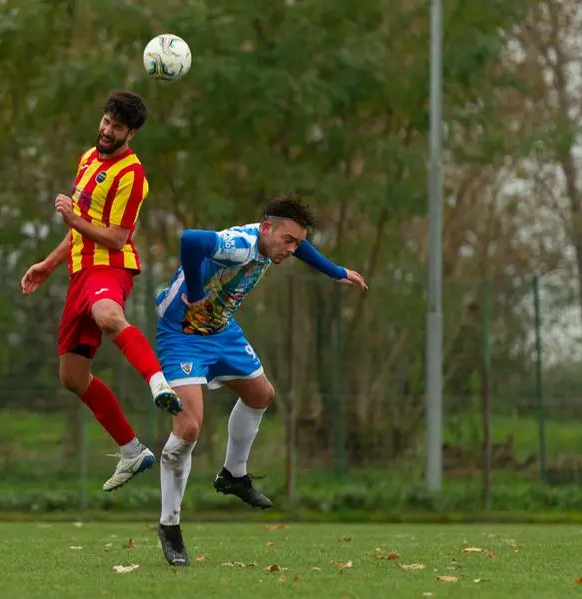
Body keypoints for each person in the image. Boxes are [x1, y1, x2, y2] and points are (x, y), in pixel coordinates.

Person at [152, 194, 368, 565]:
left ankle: (233, 475)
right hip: (183, 333)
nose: (292, 249)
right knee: (188, 429)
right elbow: (190, 239)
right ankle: (170, 527)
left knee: (261, 395)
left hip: (221, 331)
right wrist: (195, 290)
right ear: (266, 229)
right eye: (288, 240)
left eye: (297, 242)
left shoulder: (274, 242)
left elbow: (298, 247)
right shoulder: (238, 245)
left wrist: (335, 271)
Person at [21, 91, 182, 493]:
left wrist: (73, 217)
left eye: (117, 127)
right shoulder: (87, 158)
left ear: (132, 133)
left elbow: (115, 238)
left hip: (109, 267)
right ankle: (132, 451)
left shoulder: (133, 176)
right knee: (72, 377)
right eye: (106, 122)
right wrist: (49, 262)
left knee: (110, 316)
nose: (107, 131)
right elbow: (79, 229)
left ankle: (158, 381)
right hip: (79, 273)